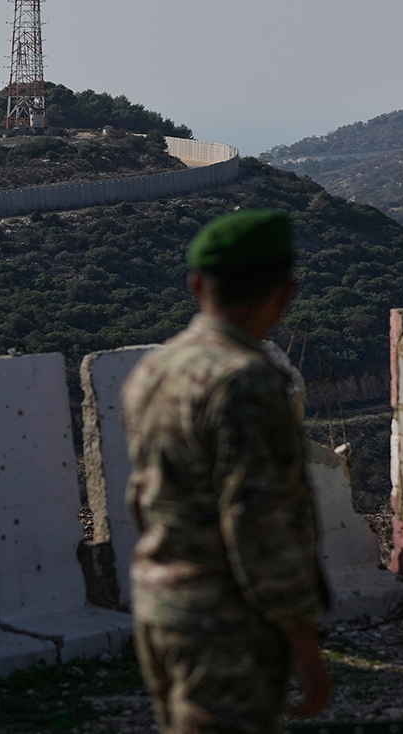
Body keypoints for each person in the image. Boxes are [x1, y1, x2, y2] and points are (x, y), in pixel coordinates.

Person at [123, 209, 331, 733]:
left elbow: (144, 497)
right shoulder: (246, 382)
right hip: (225, 623)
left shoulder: (155, 369)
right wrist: (304, 644)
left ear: (196, 285)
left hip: (159, 605)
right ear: (284, 294)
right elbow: (260, 522)